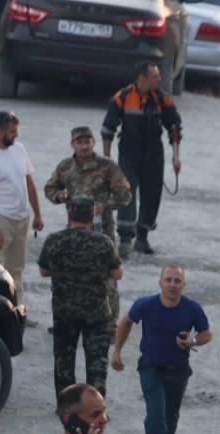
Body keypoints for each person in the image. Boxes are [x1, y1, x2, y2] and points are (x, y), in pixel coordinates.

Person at [110, 264, 212, 434]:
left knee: (170, 419)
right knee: (155, 413)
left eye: (177, 281)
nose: (172, 285)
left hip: (178, 370)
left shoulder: (192, 309)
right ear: (160, 283)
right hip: (151, 367)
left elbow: (206, 334)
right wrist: (117, 351)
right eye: (168, 280)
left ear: (183, 285)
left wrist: (191, 341)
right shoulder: (146, 305)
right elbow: (127, 321)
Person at [38, 196, 123, 397]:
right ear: (92, 217)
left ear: (69, 214)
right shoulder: (103, 242)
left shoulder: (54, 240)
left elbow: (43, 271)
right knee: (96, 363)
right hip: (97, 312)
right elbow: (117, 274)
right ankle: (95, 408)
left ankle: (67, 406)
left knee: (64, 361)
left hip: (64, 311)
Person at [101, 61, 183, 258]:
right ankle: (126, 239)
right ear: (142, 78)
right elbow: (108, 129)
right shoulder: (122, 98)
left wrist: (176, 157)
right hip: (129, 153)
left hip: (154, 154)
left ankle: (143, 236)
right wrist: (107, 158)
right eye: (155, 76)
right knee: (127, 192)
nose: (159, 79)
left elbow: (174, 126)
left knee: (152, 194)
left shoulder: (161, 99)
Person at [0, 110, 43, 312]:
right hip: (1, 220)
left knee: (16, 269)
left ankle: (17, 312)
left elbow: (29, 183)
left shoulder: (20, 149)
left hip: (21, 220)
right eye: (12, 131)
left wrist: (37, 213)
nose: (17, 135)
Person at [44, 126, 132, 246]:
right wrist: (59, 195)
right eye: (79, 143)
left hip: (102, 229)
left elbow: (125, 195)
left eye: (87, 142)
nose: (84, 146)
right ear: (72, 145)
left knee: (104, 263)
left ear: (94, 143)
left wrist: (105, 205)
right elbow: (50, 188)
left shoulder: (108, 166)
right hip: (74, 228)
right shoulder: (65, 166)